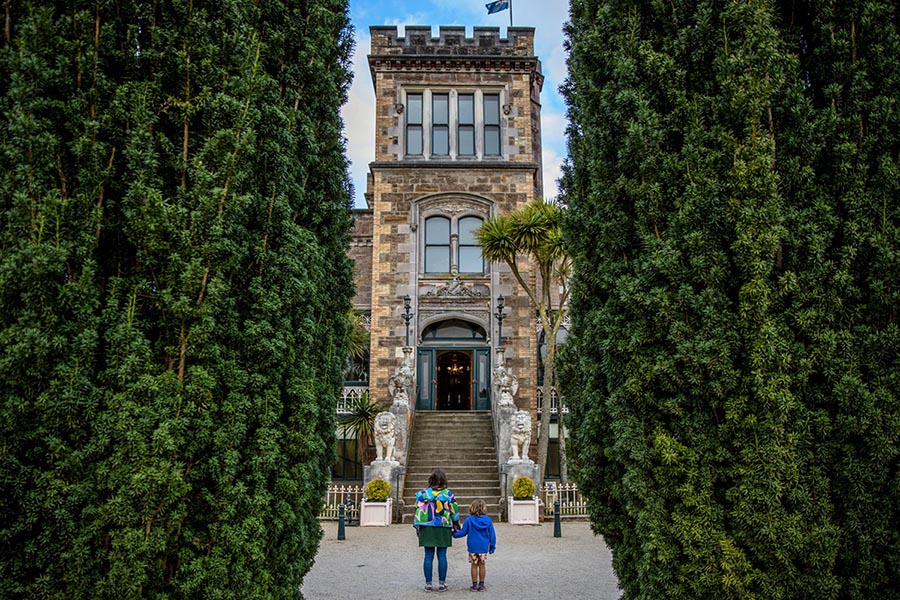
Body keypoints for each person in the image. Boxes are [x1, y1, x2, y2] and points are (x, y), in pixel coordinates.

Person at [414, 468, 460, 592]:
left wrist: (418, 528)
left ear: (431, 480)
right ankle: (442, 584)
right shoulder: (448, 494)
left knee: (428, 555)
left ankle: (428, 584)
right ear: (444, 480)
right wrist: (456, 526)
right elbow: (455, 512)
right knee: (442, 555)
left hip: (426, 526)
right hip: (443, 526)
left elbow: (417, 510)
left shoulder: (422, 494)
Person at [452, 499, 497, 592]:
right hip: (483, 547)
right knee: (482, 565)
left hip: (473, 547)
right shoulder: (488, 520)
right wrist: (492, 546)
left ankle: (474, 584)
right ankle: (482, 584)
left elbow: (463, 532)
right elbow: (492, 535)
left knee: (474, 565)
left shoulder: (469, 520)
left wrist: (453, 534)